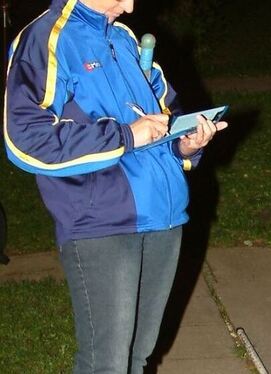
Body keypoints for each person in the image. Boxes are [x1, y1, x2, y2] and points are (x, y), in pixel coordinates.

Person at [3, 0, 227, 372]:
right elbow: (26, 138)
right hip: (102, 223)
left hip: (162, 217)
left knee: (136, 359)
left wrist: (185, 143)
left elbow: (162, 115)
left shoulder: (123, 38)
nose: (130, 6)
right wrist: (125, 135)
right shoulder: (46, 39)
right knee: (105, 364)